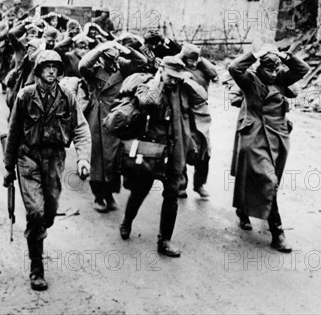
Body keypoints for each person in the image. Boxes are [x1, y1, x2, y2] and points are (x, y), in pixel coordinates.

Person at [2, 50, 91, 291]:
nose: (51, 71)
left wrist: (83, 159)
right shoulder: (25, 95)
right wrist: (9, 167)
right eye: (46, 66)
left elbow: (80, 129)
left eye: (55, 67)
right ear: (38, 70)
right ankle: (36, 268)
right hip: (28, 157)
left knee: (49, 211)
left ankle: (41, 226)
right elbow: (13, 133)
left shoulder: (68, 96)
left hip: (54, 159)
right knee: (36, 213)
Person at [119, 56, 207, 257]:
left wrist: (187, 79)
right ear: (161, 69)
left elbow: (202, 96)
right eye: (170, 76)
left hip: (175, 150)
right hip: (152, 150)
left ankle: (164, 240)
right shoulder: (149, 84)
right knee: (140, 191)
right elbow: (147, 101)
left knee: (172, 195)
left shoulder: (182, 88)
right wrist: (159, 80)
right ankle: (127, 221)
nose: (173, 80)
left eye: (177, 77)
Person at [229, 44, 309, 253]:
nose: (272, 74)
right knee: (268, 181)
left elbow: (303, 69)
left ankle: (244, 208)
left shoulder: (281, 79)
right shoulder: (249, 80)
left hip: (279, 137)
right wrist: (257, 53)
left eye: (275, 68)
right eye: (268, 68)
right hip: (256, 137)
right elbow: (234, 68)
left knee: (271, 181)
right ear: (259, 68)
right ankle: (278, 232)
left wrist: (285, 56)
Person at [79, 41, 148, 212]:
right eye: (108, 59)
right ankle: (98, 196)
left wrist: (128, 50)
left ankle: (109, 194)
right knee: (97, 158)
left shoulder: (122, 68)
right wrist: (99, 49)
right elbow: (82, 65)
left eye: (115, 59)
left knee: (114, 159)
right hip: (97, 118)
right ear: (102, 58)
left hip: (117, 118)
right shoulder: (94, 70)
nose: (113, 63)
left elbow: (142, 63)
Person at [178, 43, 218, 199]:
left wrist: (200, 59)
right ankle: (181, 185)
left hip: (201, 113)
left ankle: (199, 184)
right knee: (182, 148)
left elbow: (214, 73)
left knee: (205, 150)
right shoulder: (178, 68)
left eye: (195, 60)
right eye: (190, 60)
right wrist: (182, 56)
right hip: (183, 113)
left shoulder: (203, 69)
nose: (193, 63)